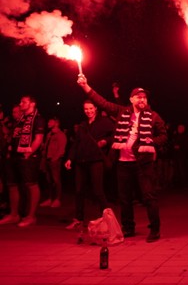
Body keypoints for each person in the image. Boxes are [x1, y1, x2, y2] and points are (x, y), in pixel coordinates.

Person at [76, 75, 167, 243]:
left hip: (143, 163)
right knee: (124, 199)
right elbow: (102, 102)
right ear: (131, 99)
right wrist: (85, 86)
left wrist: (151, 142)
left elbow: (163, 135)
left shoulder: (153, 116)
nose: (142, 99)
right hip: (124, 163)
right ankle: (128, 228)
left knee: (149, 196)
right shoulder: (122, 112)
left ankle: (155, 229)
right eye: (138, 96)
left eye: (144, 97)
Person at [64, 100, 115, 230]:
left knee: (98, 190)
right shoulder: (83, 125)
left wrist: (106, 141)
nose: (88, 111)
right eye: (86, 109)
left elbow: (115, 135)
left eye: (91, 108)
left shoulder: (105, 122)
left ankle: (107, 220)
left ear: (95, 108)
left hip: (96, 160)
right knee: (79, 191)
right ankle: (79, 219)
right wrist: (70, 158)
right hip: (81, 162)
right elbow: (76, 144)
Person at [0, 96, 45, 227]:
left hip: (28, 156)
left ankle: (31, 216)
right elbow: (13, 136)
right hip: (14, 156)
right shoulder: (20, 119)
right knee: (12, 184)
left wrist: (29, 153)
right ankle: (14, 215)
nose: (21, 104)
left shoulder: (38, 119)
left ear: (32, 103)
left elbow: (38, 138)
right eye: (20, 102)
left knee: (31, 184)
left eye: (23, 102)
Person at [39, 116, 67, 208]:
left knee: (56, 180)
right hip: (47, 159)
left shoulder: (61, 135)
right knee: (49, 180)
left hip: (54, 160)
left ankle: (57, 199)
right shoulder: (49, 134)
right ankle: (50, 198)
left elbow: (61, 149)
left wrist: (55, 158)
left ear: (56, 123)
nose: (48, 123)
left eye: (50, 122)